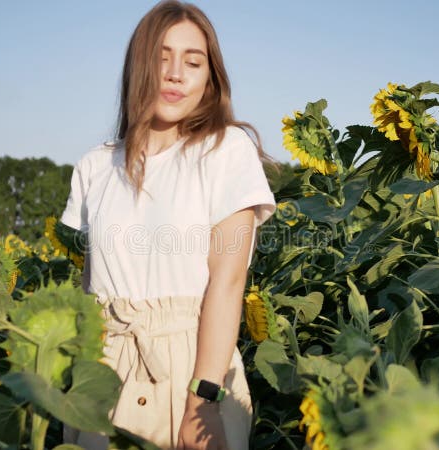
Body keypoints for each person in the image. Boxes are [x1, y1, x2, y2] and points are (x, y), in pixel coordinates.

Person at [59, 1, 276, 449]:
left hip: (193, 368)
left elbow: (228, 283)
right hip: (102, 372)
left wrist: (204, 402)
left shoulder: (226, 152)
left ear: (208, 78)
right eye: (162, 58)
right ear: (138, 66)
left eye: (193, 62)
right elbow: (90, 284)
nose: (176, 73)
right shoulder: (96, 165)